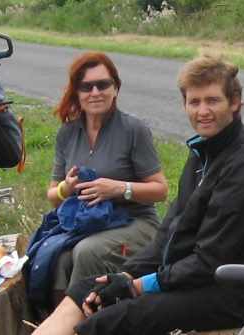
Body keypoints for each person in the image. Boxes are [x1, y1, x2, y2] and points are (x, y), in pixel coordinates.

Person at [33, 55, 244, 335]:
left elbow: (210, 260)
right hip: (198, 278)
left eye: (212, 100)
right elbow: (169, 234)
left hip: (239, 290)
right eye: (194, 102)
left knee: (112, 321)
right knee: (86, 289)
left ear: (235, 103)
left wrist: (138, 285)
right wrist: (125, 275)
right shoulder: (204, 155)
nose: (202, 111)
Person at [43, 52, 168, 308]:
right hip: (88, 222)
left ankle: (81, 320)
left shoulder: (133, 130)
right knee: (54, 255)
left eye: (103, 84)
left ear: (116, 88)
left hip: (137, 222)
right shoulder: (68, 133)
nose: (95, 92)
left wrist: (119, 188)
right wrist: (67, 188)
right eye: (87, 86)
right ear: (76, 92)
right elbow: (53, 195)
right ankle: (46, 317)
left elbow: (160, 190)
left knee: (86, 252)